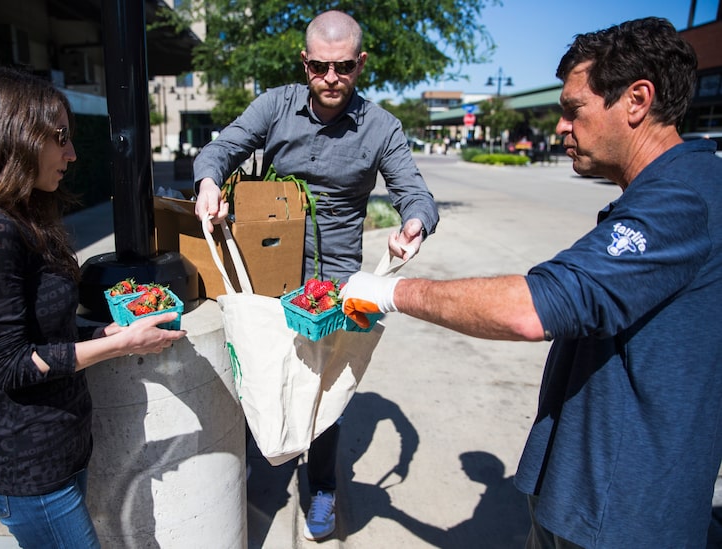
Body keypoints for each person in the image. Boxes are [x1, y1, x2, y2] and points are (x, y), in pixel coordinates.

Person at [341, 17, 722, 548]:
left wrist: (386, 292)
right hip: (593, 496)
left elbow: (535, 307)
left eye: (574, 110)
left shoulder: (679, 202)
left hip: (621, 514)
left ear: (637, 100)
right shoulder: (681, 188)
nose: (561, 128)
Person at [0, 66, 186, 548]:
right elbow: (9, 365)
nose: (73, 154)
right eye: (60, 138)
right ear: (13, 137)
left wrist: (103, 336)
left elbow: (43, 336)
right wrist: (121, 348)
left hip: (60, 455)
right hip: (29, 474)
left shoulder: (26, 216)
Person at [193, 10, 439, 541]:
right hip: (266, 270)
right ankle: (268, 457)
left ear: (360, 64)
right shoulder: (275, 106)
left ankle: (322, 486)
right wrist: (209, 181)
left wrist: (413, 224)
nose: (331, 78)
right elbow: (220, 148)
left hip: (336, 281)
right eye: (320, 67)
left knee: (325, 390)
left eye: (344, 67)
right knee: (261, 370)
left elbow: (415, 193)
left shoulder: (380, 127)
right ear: (305, 62)